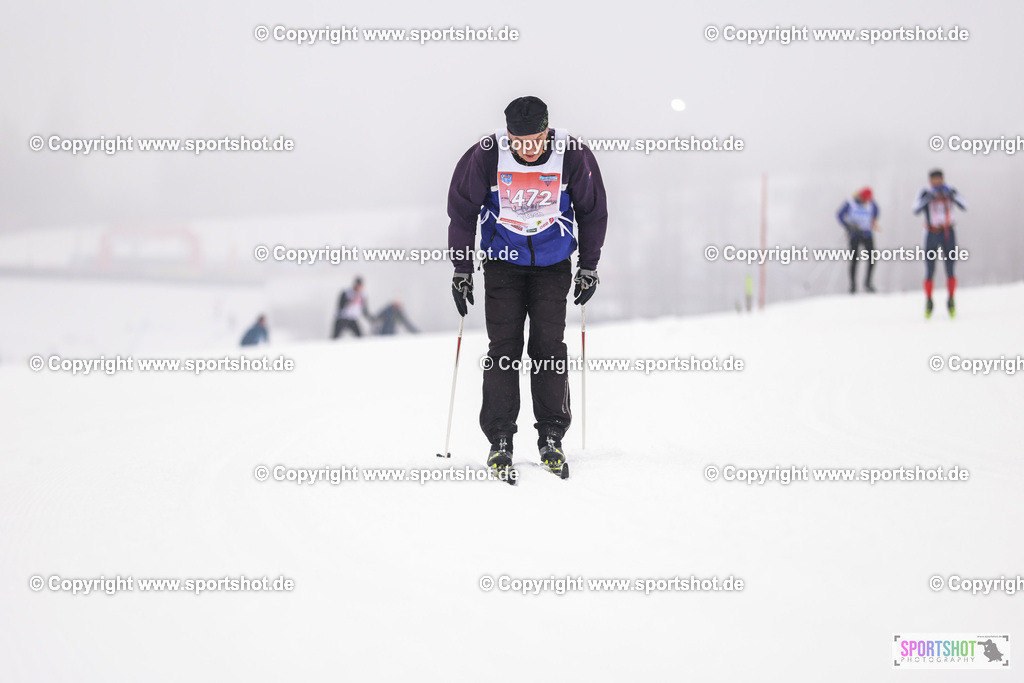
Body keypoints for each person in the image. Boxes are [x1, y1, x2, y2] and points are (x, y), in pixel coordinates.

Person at [446, 95, 608, 476]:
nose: (529, 149)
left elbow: (592, 211)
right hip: (504, 263)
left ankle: (551, 435)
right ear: (508, 136)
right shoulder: (485, 156)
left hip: (553, 264)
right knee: (504, 349)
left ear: (547, 130)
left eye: (535, 140)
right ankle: (500, 438)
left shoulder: (572, 154)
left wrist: (589, 266)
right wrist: (461, 269)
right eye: (519, 143)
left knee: (548, 347)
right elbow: (462, 211)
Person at [913, 169, 966, 318]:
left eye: (939, 179)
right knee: (930, 269)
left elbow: (964, 205)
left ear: (943, 179)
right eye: (934, 180)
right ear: (930, 181)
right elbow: (915, 209)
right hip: (931, 233)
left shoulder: (950, 190)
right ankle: (929, 300)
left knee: (950, 268)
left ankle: (951, 299)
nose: (936, 182)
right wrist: (929, 197)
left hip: (948, 232)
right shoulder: (925, 192)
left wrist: (951, 195)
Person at [837, 187, 879, 293]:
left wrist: (872, 221)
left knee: (872, 259)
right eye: (865, 199)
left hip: (867, 234)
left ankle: (868, 283)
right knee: (854, 260)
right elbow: (839, 215)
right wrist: (848, 226)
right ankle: (853, 286)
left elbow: (876, 212)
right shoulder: (851, 203)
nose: (866, 202)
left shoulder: (871, 204)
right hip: (854, 235)